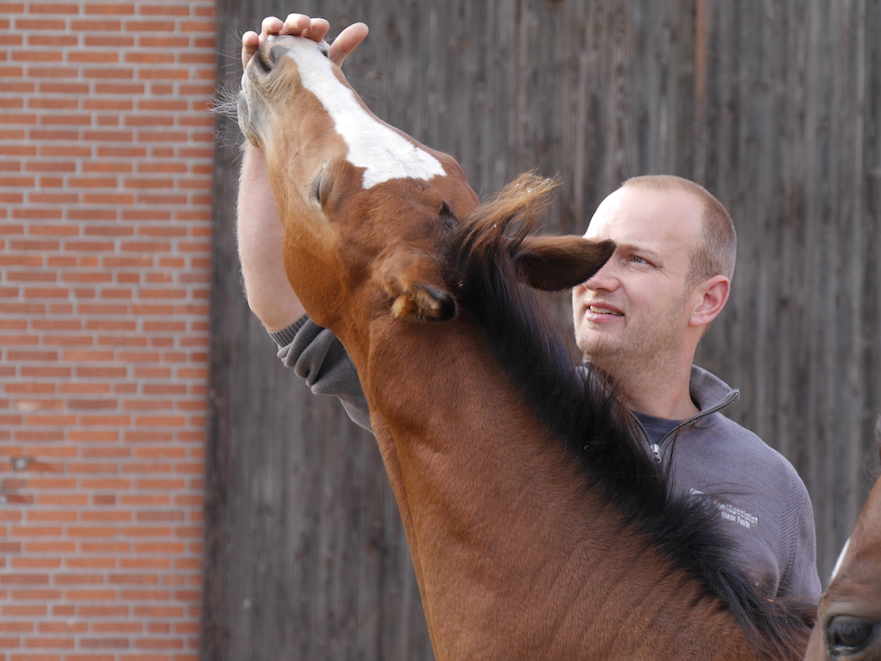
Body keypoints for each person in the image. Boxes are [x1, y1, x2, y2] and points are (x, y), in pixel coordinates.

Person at [236, 14, 822, 605]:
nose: (599, 280)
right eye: (595, 257)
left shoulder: (770, 487)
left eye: (637, 262)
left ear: (708, 299)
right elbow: (285, 311)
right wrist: (269, 119)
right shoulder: (489, 411)